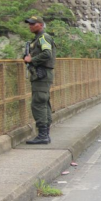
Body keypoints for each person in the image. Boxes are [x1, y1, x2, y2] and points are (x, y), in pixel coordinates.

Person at [24, 16, 57, 145]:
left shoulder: (43, 37)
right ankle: (45, 134)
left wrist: (32, 60)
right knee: (43, 102)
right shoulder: (38, 38)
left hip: (41, 75)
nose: (30, 26)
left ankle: (43, 134)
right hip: (41, 75)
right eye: (30, 24)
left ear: (41, 25)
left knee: (38, 103)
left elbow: (47, 53)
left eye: (33, 24)